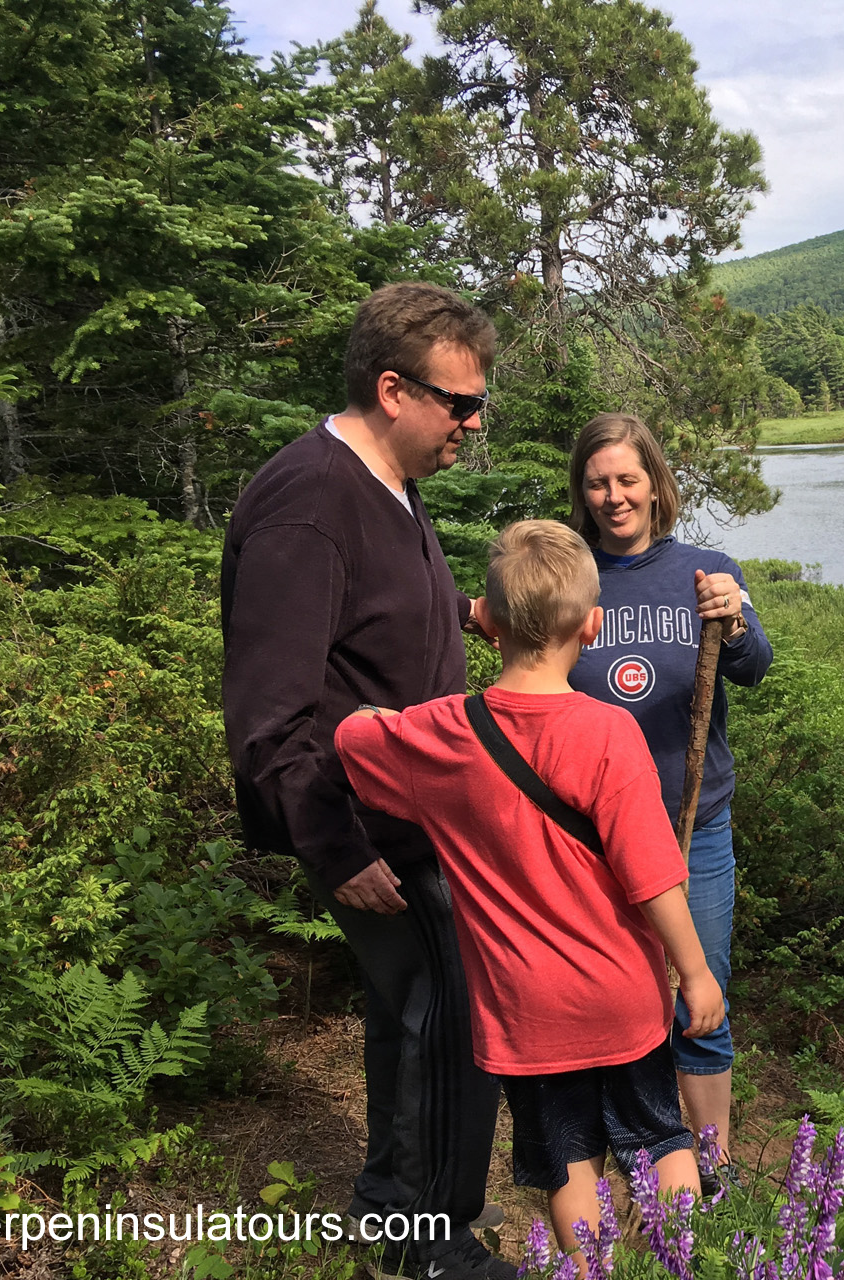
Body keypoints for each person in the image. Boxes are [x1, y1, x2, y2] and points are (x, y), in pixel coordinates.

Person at [220, 282, 512, 1280]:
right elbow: (273, 704)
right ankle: (436, 1246)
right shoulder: (311, 497)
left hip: (417, 816)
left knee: (406, 1018)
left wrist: (477, 614)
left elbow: (380, 619)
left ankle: (394, 1211)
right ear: (393, 388)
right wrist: (335, 844)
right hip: (377, 828)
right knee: (453, 1016)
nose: (472, 426)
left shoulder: (384, 485)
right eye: (459, 405)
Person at [334, 520, 724, 1251]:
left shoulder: (442, 734)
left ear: (485, 621)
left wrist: (373, 716)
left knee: (567, 1158)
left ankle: (588, 1269)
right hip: (620, 993)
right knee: (660, 1138)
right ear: (593, 626)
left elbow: (352, 739)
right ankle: (673, 1263)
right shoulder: (609, 734)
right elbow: (653, 876)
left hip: (527, 1010)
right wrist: (697, 974)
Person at [566, 413, 772, 1189]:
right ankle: (631, 1155)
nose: (613, 496)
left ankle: (710, 1170)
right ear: (581, 492)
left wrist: (737, 620)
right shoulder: (569, 572)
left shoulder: (704, 571)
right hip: (588, 835)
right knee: (608, 1000)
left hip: (693, 830)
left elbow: (753, 668)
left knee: (699, 999)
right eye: (597, 482)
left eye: (627, 479)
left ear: (655, 484)